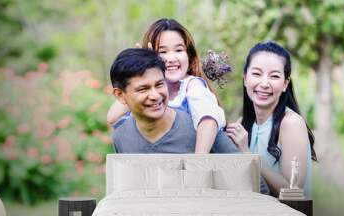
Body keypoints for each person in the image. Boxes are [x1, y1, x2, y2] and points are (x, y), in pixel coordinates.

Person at [109, 47, 270, 195]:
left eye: (159, 84)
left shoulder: (199, 129)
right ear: (120, 95)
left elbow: (256, 185)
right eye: (143, 89)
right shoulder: (122, 137)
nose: (155, 95)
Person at [107, 18, 225, 153]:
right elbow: (112, 117)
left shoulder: (193, 86)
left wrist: (197, 162)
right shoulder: (152, 92)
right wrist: (141, 67)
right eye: (162, 52)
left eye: (179, 50)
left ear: (189, 55)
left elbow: (208, 120)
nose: (171, 58)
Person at [226, 41, 317, 198]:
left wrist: (249, 157)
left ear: (285, 84)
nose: (264, 83)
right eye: (256, 74)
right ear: (245, 78)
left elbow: (293, 191)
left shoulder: (291, 124)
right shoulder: (243, 124)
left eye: (274, 76)